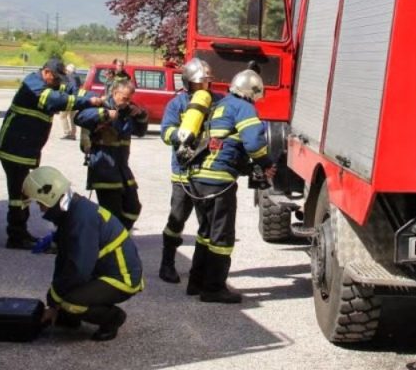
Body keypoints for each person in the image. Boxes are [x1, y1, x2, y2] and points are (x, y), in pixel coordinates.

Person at [183, 69, 275, 303]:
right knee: (221, 237)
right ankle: (213, 289)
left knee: (205, 233)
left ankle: (196, 282)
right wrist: (265, 162)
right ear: (252, 92)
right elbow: (254, 141)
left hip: (198, 178)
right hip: (219, 181)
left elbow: (225, 142)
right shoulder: (243, 107)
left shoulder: (220, 105)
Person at [23, 167, 143, 342]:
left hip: (121, 278)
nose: (41, 210)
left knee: (71, 301)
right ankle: (70, 317)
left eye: (40, 204)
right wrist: (54, 302)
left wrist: (55, 298)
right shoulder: (72, 212)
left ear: (51, 196)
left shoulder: (81, 219)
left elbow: (79, 269)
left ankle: (112, 318)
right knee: (64, 295)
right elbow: (64, 260)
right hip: (104, 272)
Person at [0, 58, 102, 249]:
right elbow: (55, 100)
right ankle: (15, 236)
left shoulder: (50, 83)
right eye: (56, 78)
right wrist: (86, 101)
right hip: (14, 148)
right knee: (17, 193)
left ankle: (21, 232)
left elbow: (70, 91)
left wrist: (94, 96)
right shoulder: (34, 85)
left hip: (27, 148)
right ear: (46, 73)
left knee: (25, 192)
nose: (58, 82)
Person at [157, 58, 217, 284]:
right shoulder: (177, 104)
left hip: (206, 172)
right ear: (187, 83)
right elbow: (165, 131)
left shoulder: (216, 102)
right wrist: (180, 137)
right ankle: (167, 264)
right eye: (198, 84)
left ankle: (200, 270)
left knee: (207, 224)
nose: (203, 88)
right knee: (176, 220)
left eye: (206, 83)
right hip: (182, 173)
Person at [75, 79, 148, 230]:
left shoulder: (128, 110)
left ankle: (119, 235)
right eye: (125, 98)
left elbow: (140, 132)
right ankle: (110, 241)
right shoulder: (101, 105)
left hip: (122, 169)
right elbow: (79, 117)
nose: (127, 102)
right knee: (112, 213)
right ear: (115, 93)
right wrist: (105, 114)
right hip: (104, 168)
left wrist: (140, 115)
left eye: (130, 99)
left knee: (133, 207)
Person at [60, 64, 82, 140]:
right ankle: (73, 134)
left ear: (69, 71)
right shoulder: (77, 77)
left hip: (68, 98)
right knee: (72, 117)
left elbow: (69, 88)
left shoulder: (69, 77)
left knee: (62, 116)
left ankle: (67, 133)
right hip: (76, 99)